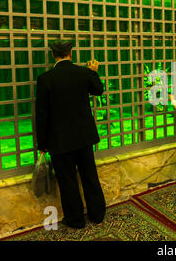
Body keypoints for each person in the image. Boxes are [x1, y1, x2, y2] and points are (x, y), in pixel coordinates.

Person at [35, 41, 106, 229]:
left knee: (67, 182)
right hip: (84, 138)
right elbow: (99, 90)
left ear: (53, 55)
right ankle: (97, 214)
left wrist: (42, 144)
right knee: (90, 176)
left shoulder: (45, 79)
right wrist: (93, 71)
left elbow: (42, 114)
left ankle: (75, 220)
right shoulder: (84, 73)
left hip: (60, 141)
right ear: (71, 53)